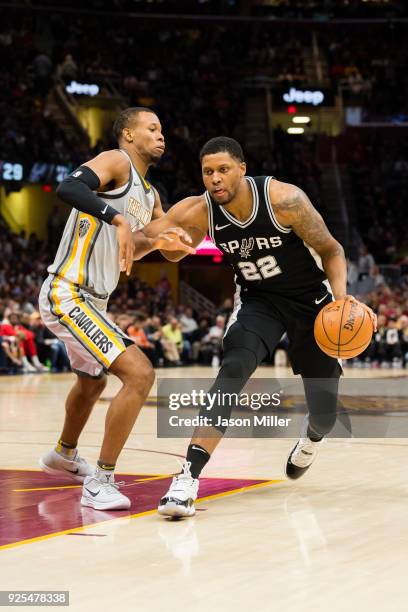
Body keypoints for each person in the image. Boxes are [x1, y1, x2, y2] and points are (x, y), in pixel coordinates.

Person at [132, 136, 377, 517]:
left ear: (242, 169)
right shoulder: (199, 210)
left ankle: (313, 436)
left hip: (310, 302)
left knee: (325, 414)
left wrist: (341, 298)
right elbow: (147, 238)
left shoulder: (284, 200)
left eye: (223, 169)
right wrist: (140, 243)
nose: (215, 178)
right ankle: (186, 479)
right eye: (208, 171)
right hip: (258, 302)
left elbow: (332, 250)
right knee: (232, 371)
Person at [38, 107, 195, 510]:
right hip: (68, 292)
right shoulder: (115, 160)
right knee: (140, 374)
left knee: (92, 383)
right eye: (152, 128)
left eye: (163, 130)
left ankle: (64, 454)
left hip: (95, 301)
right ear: (128, 134)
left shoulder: (151, 195)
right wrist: (118, 220)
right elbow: (69, 187)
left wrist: (166, 243)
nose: (162, 136)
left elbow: (148, 245)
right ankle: (100, 482)